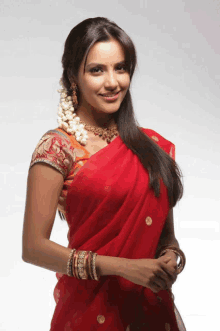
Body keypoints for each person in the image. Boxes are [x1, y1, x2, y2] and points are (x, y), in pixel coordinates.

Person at [22, 17, 186, 331]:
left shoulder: (152, 147)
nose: (112, 82)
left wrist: (170, 256)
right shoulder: (59, 148)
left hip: (153, 310)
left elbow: (166, 237)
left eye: (120, 68)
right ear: (73, 75)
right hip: (89, 312)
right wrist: (124, 268)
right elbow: (33, 247)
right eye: (97, 70)